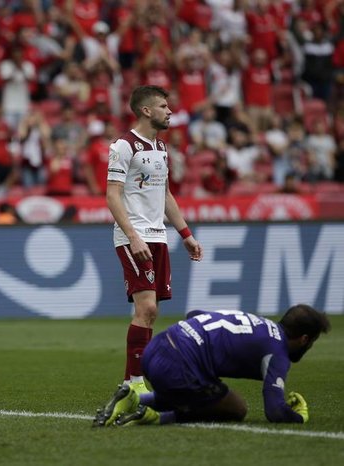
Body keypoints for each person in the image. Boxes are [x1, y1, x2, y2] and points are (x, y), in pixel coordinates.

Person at [106, 85, 203, 394]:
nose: (170, 111)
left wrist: (185, 234)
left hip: (158, 237)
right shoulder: (123, 146)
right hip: (134, 236)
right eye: (163, 106)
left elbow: (164, 194)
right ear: (146, 111)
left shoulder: (160, 148)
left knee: (152, 312)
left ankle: (130, 382)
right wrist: (132, 236)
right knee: (146, 309)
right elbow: (112, 195)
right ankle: (135, 384)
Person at [93, 305, 331, 427]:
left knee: (192, 390)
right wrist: (299, 417)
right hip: (178, 364)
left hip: (157, 346)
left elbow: (194, 313)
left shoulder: (259, 323)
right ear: (304, 339)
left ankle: (134, 399)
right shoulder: (278, 351)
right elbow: (275, 411)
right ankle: (158, 419)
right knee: (237, 408)